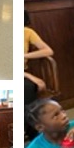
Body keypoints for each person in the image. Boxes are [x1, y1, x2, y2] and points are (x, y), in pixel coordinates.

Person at [24, 10, 54, 140]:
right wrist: (30, 76)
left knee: (30, 88)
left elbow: (48, 51)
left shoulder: (27, 32)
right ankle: (31, 134)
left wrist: (25, 55)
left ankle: (34, 134)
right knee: (28, 87)